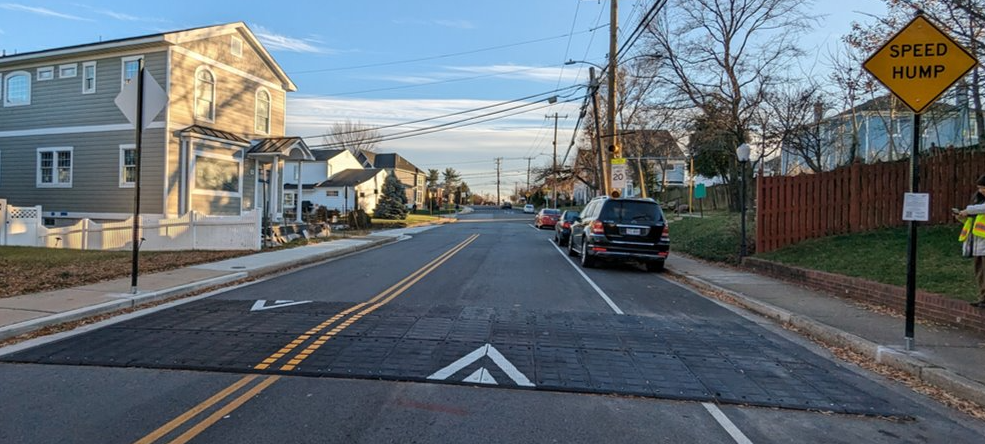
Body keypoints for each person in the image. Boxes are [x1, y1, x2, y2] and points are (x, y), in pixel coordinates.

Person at [957, 174, 985, 307]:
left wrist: (968, 210)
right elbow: (971, 222)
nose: (981, 190)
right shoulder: (977, 201)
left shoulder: (978, 206)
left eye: (983, 187)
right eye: (980, 188)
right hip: (977, 242)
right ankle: (982, 297)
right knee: (980, 272)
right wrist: (961, 216)